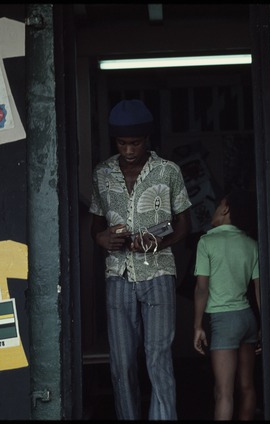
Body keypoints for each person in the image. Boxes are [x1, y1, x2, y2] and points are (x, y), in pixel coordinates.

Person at [89, 99, 192, 420]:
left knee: (157, 356)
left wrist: (161, 241)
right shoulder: (102, 173)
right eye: (122, 143)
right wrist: (101, 238)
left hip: (158, 273)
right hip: (117, 275)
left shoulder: (168, 171)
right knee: (121, 361)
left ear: (147, 139)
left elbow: (185, 225)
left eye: (135, 143)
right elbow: (96, 223)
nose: (129, 150)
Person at [193, 190, 260, 421]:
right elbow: (258, 291)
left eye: (217, 205)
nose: (213, 210)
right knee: (247, 387)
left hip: (223, 321)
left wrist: (197, 325)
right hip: (247, 319)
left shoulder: (207, 242)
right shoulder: (251, 244)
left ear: (225, 209)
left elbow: (202, 288)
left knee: (224, 393)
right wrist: (260, 326)